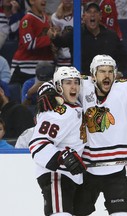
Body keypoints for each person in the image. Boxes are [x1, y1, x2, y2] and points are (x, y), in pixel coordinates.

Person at [37, 54, 127, 215]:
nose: (107, 75)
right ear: (93, 75)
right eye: (102, 71)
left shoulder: (126, 89)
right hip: (87, 170)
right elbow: (59, 80)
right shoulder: (82, 84)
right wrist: (46, 90)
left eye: (110, 71)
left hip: (118, 171)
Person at [29, 66, 87, 216]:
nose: (74, 86)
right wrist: (62, 158)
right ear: (59, 87)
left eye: (76, 82)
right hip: (56, 175)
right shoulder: (58, 112)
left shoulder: (73, 106)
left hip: (68, 176)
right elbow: (37, 144)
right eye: (68, 83)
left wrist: (46, 87)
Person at [50, 2, 127, 75]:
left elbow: (123, 57)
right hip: (83, 80)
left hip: (105, 80)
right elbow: (60, 42)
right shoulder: (76, 34)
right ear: (83, 17)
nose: (92, 15)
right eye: (89, 12)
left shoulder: (111, 35)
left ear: (100, 16)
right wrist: (53, 36)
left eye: (95, 12)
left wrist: (119, 72)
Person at [10, 0, 54, 85]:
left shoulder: (47, 19)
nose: (44, 1)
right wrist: (51, 38)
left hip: (44, 67)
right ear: (32, 1)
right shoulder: (27, 20)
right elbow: (29, 44)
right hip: (24, 68)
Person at [50, 0, 74, 67]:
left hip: (79, 57)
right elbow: (53, 43)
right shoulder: (54, 17)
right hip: (62, 59)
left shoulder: (82, 13)